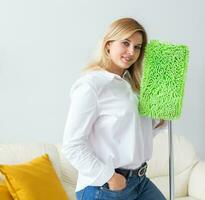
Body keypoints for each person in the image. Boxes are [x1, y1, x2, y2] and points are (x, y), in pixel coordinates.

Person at [62, 17, 167, 200]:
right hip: (105, 187)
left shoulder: (132, 86)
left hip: (139, 181)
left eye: (137, 47)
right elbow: (72, 145)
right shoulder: (91, 86)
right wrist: (110, 177)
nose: (131, 52)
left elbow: (133, 134)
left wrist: (159, 120)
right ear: (108, 44)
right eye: (125, 43)